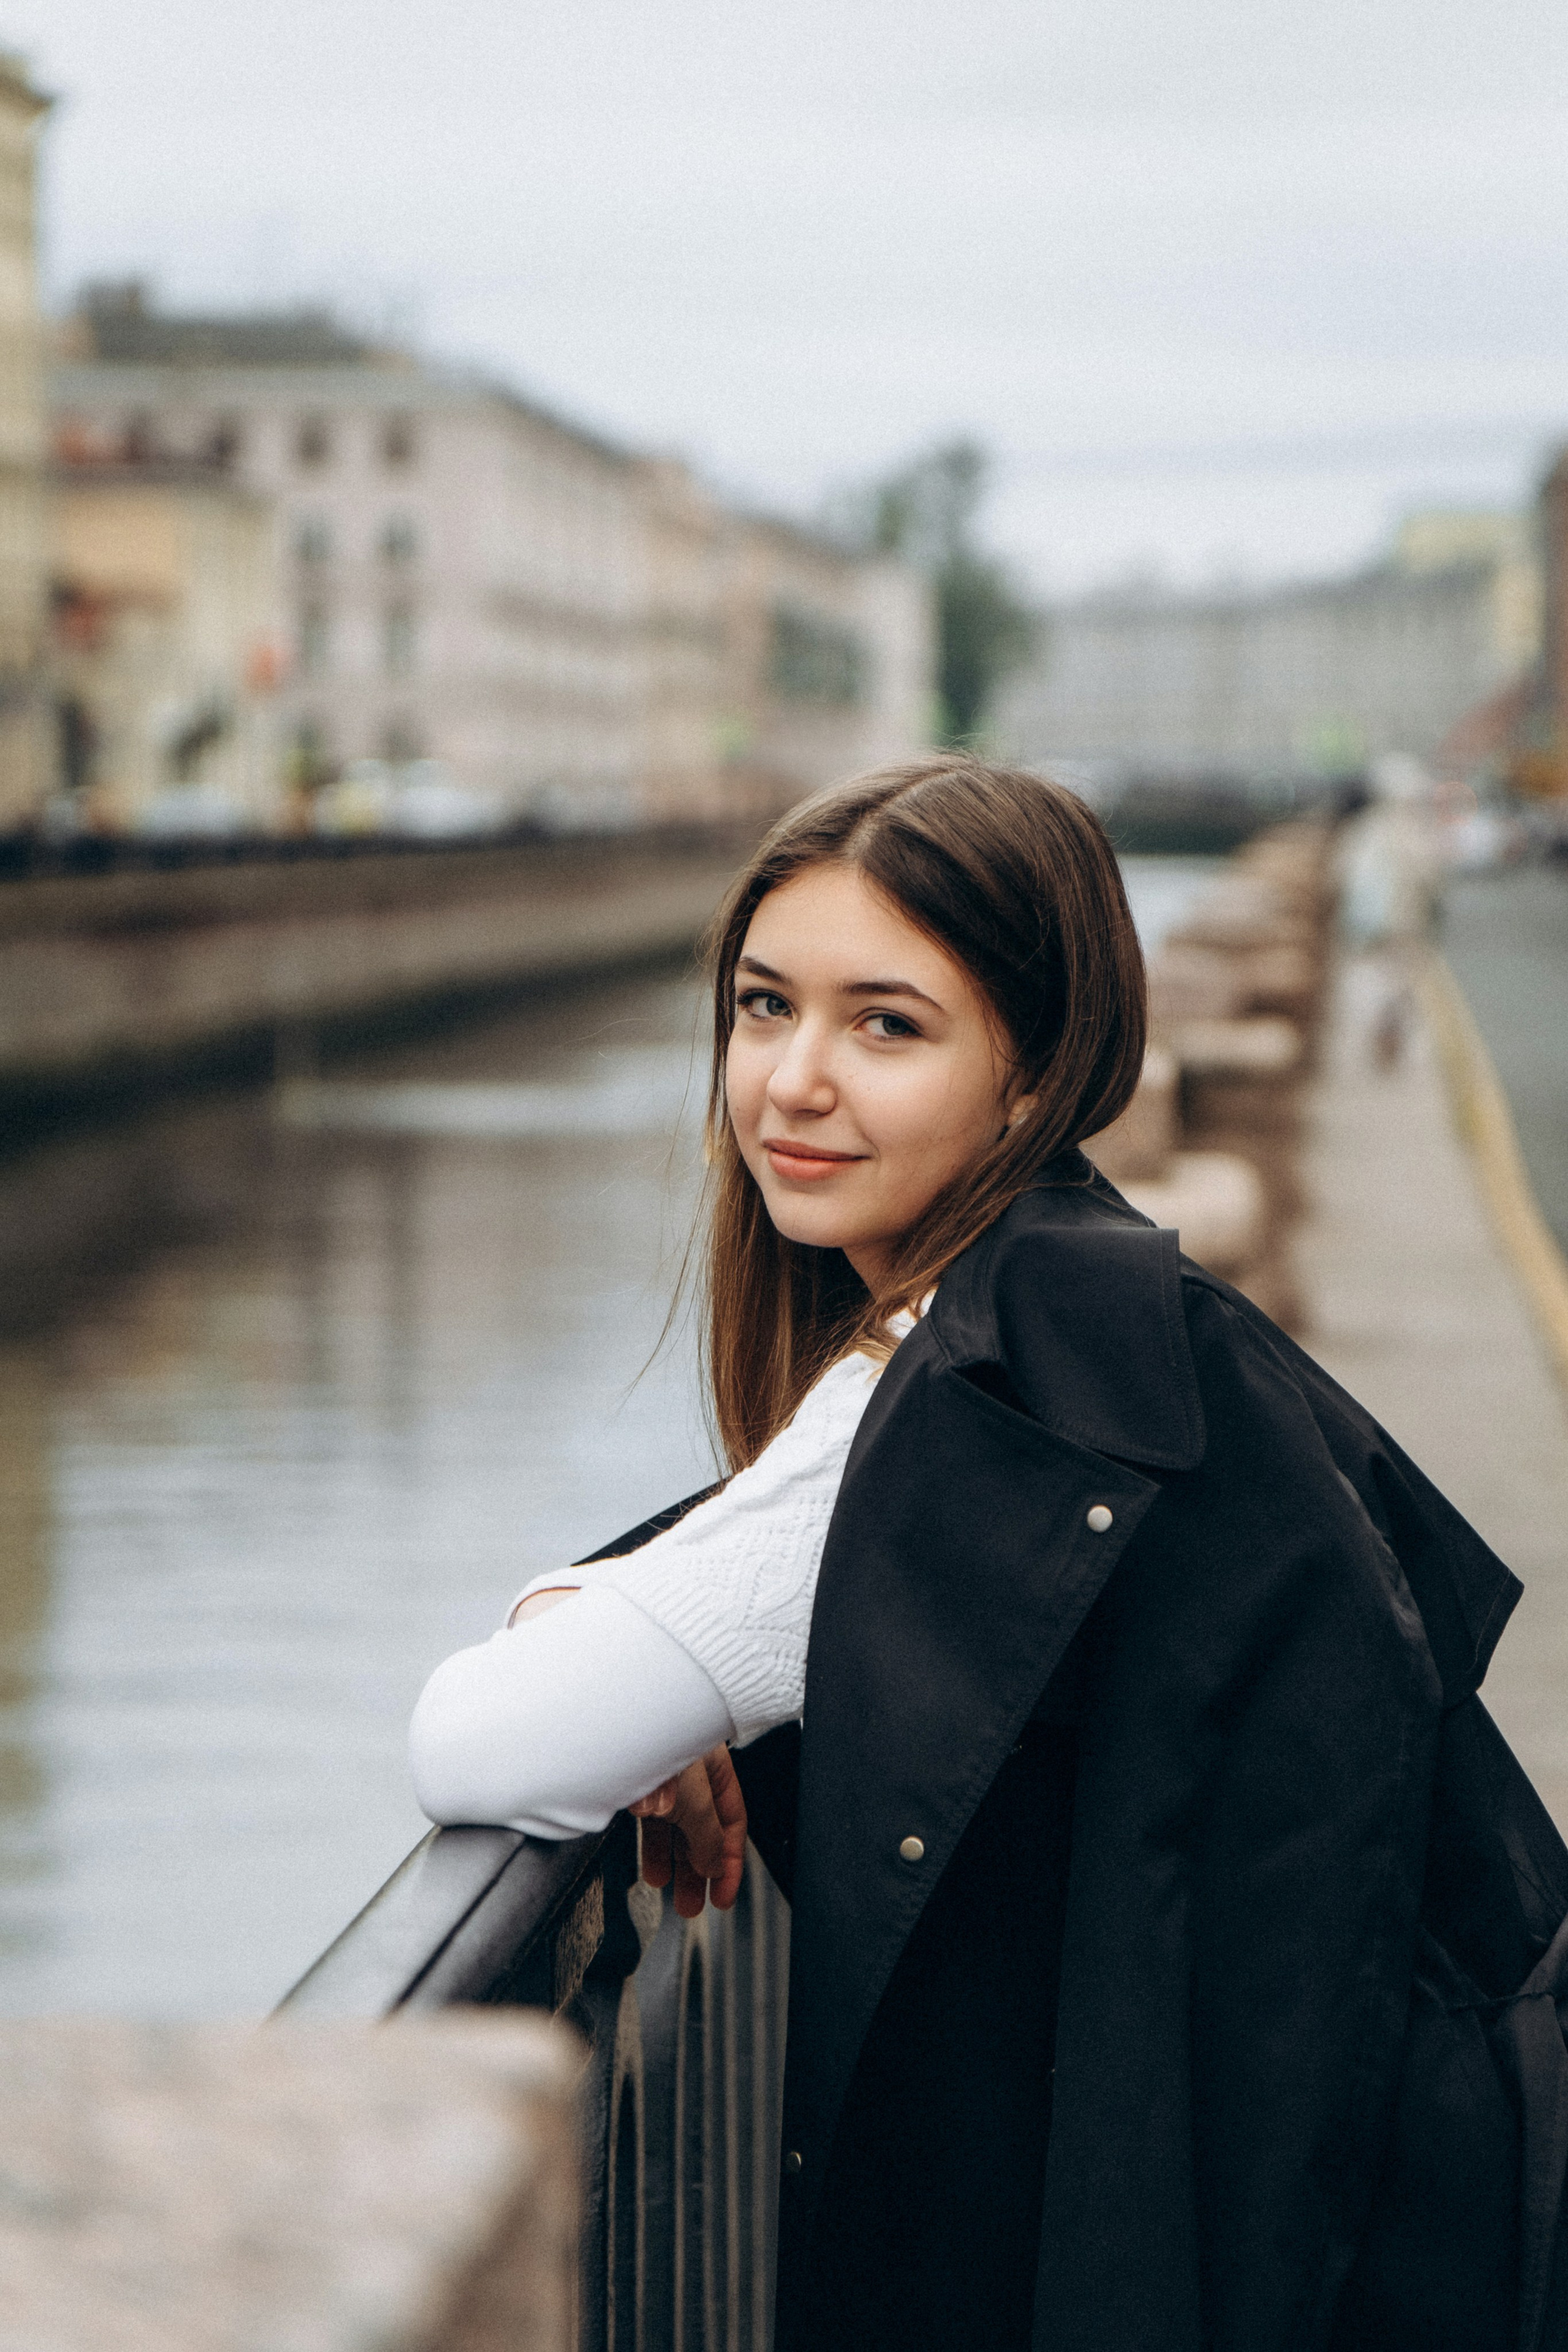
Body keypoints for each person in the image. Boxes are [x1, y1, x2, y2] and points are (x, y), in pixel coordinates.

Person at [409, 755, 1568, 2352]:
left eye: (887, 1024)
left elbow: (481, 1743)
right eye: (763, 1006)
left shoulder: (965, 1395)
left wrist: (608, 1638)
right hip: (1393, 2189)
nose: (794, 1080)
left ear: (1033, 1073)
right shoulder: (1095, 1302)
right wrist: (616, 1608)